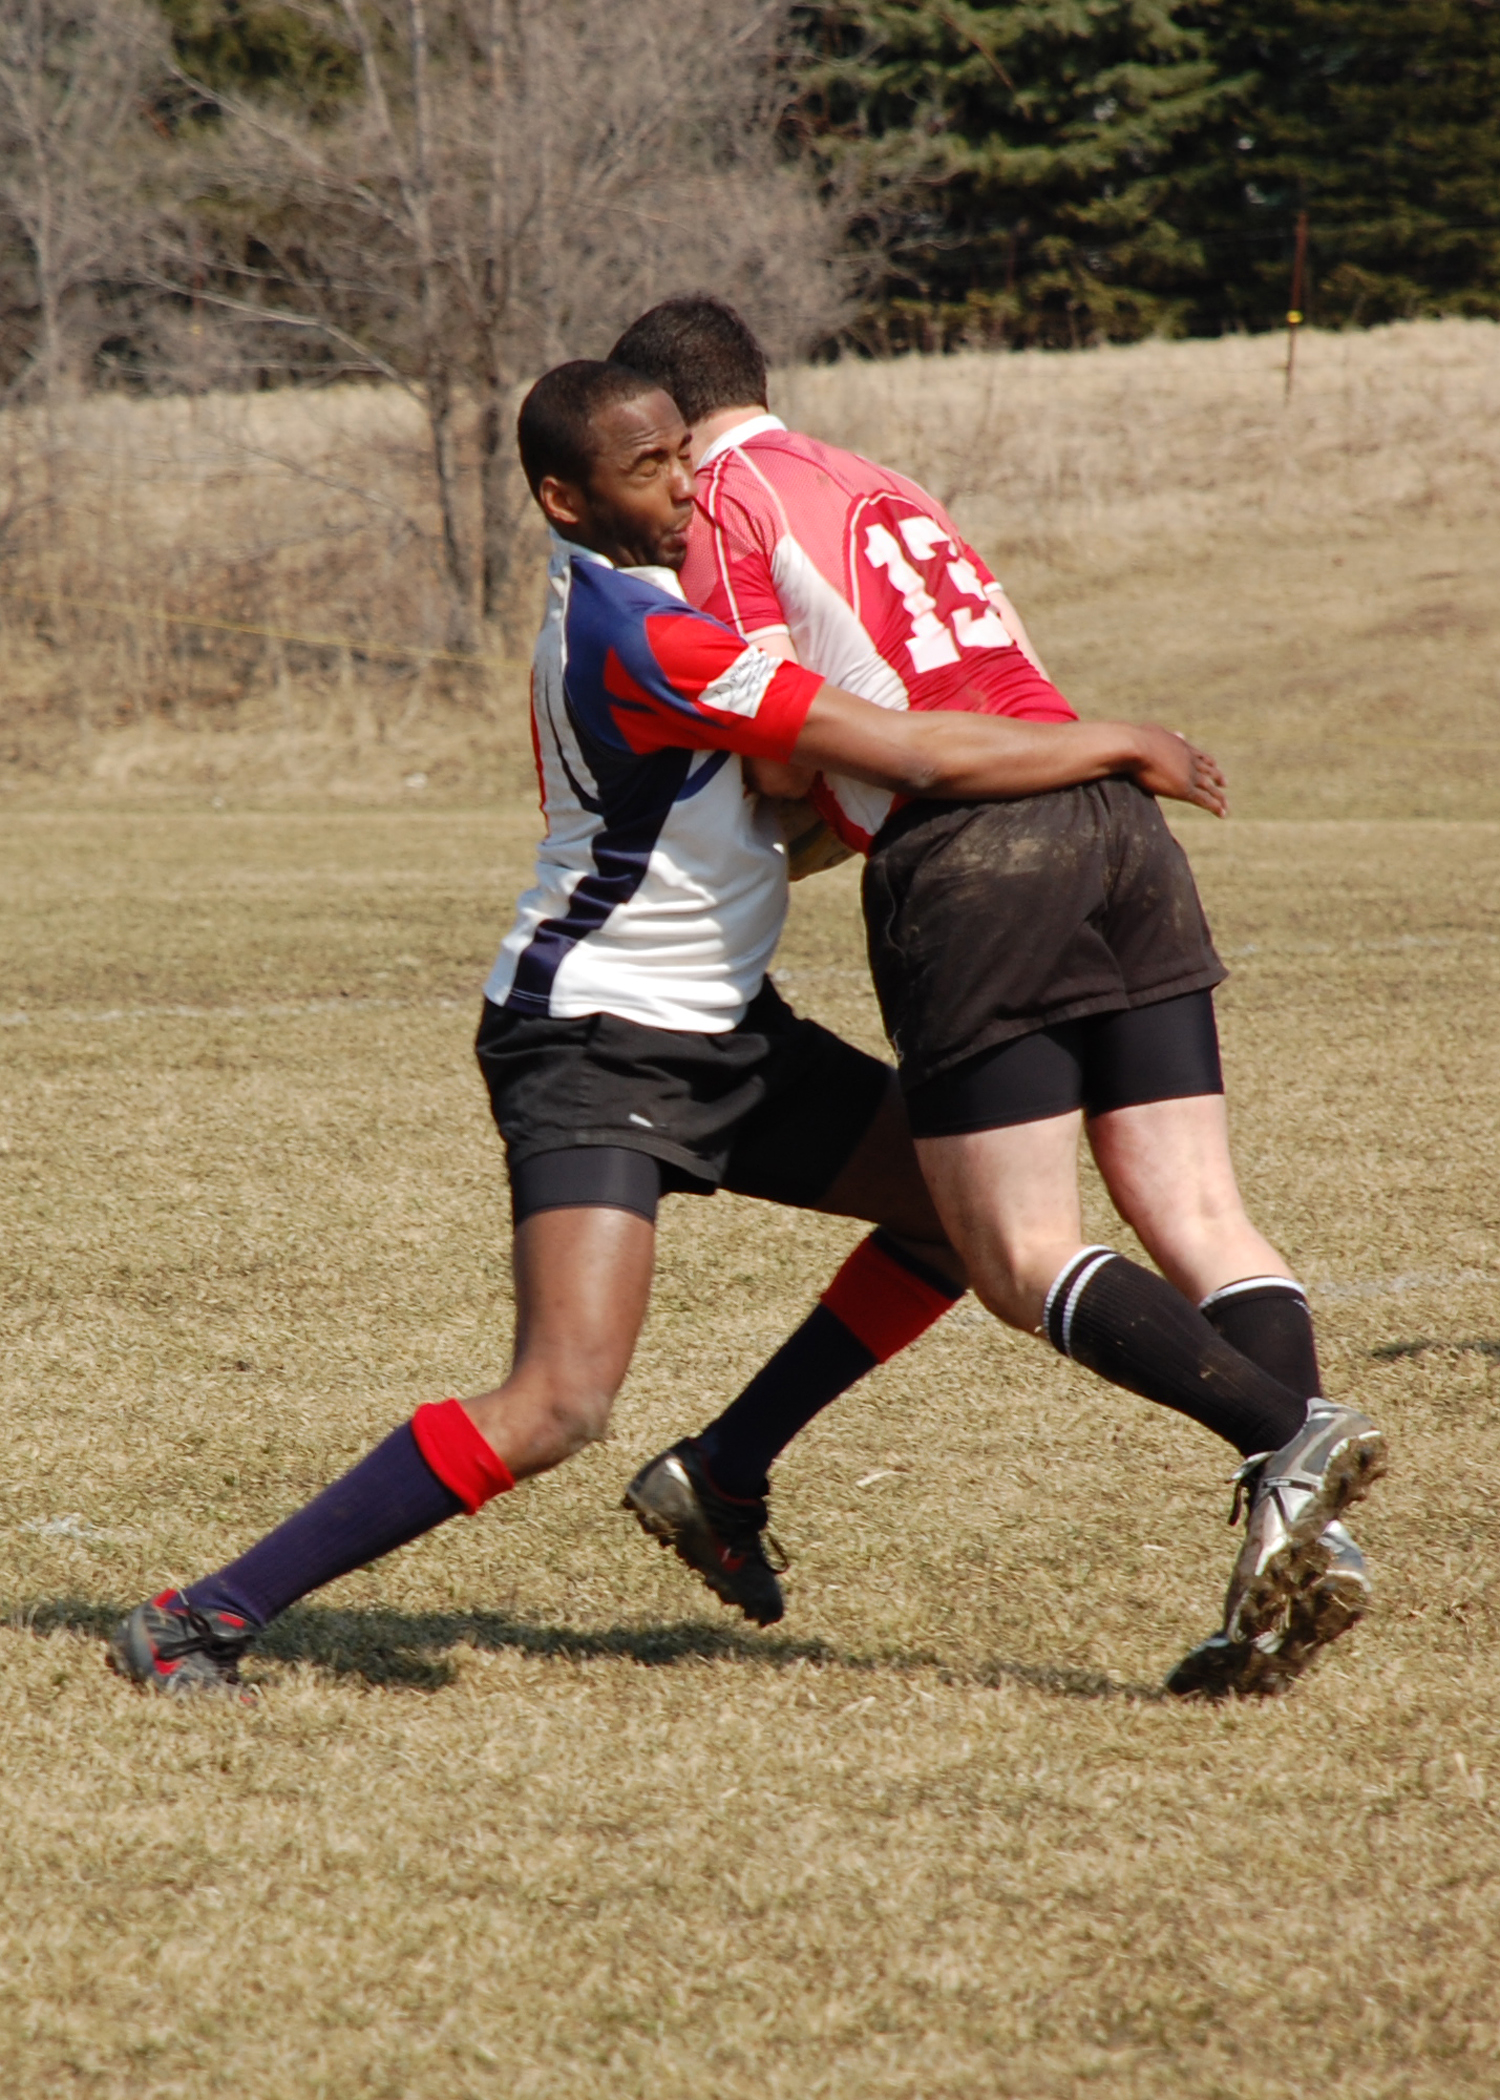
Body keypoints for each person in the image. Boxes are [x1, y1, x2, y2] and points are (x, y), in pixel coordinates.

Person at [107, 359, 1220, 1696]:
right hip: (592, 1041)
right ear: (561, 497)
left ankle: (728, 1472)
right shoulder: (647, 636)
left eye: (686, 454)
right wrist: (1124, 743)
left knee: (949, 1211)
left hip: (724, 1033)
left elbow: (746, 828)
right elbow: (917, 752)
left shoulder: (658, 610)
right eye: (647, 470)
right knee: (559, 1402)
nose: (686, 485)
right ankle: (202, 1619)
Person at [609, 297, 1386, 1697]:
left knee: (1016, 1254)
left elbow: (776, 732)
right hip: (1108, 823)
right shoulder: (879, 479)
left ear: (668, 419)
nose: (655, 485)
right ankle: (1279, 1564)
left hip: (974, 855)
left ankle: (1293, 1434)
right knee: (1197, 1214)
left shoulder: (721, 496)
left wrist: (758, 820)